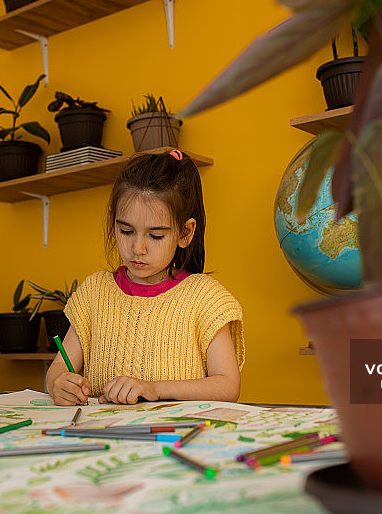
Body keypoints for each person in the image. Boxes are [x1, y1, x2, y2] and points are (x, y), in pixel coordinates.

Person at [46, 149, 244, 405]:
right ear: (112, 223)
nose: (138, 248)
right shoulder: (95, 292)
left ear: (185, 233)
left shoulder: (206, 298)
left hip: (174, 439)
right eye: (126, 231)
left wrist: (155, 388)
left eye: (156, 236)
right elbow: (58, 369)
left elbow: (228, 385)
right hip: (104, 438)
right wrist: (58, 383)